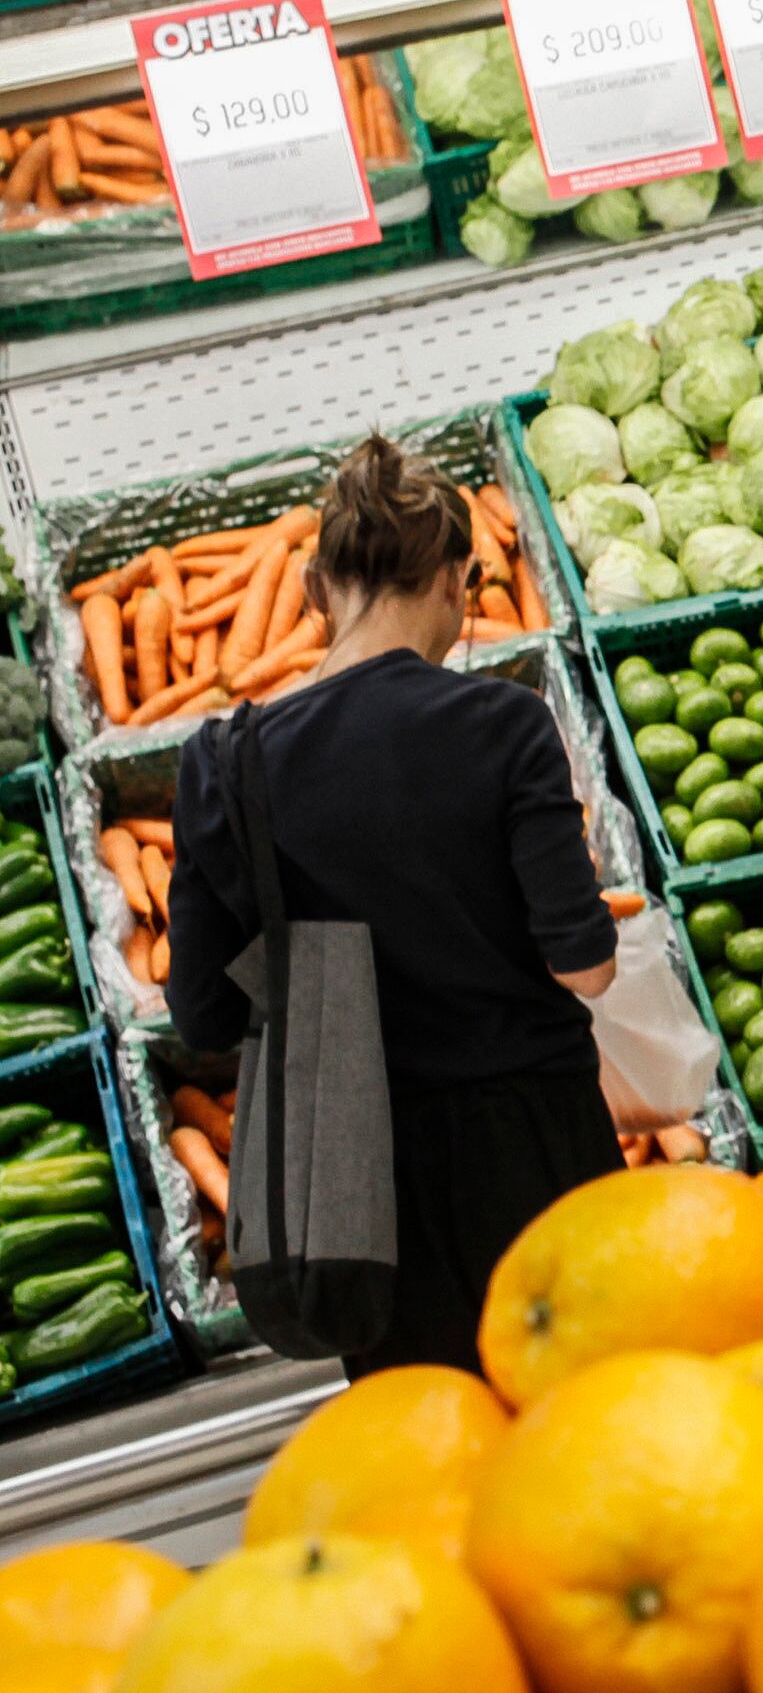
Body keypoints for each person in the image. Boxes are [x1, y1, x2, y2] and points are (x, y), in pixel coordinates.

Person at [168, 437, 619, 1380]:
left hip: (361, 1187)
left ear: (312, 590)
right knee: (591, 1409)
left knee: (436, 1449)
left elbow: (203, 1015)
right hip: (539, 1148)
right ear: (457, 583)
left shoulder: (226, 764)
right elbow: (586, 966)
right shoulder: (505, 726)